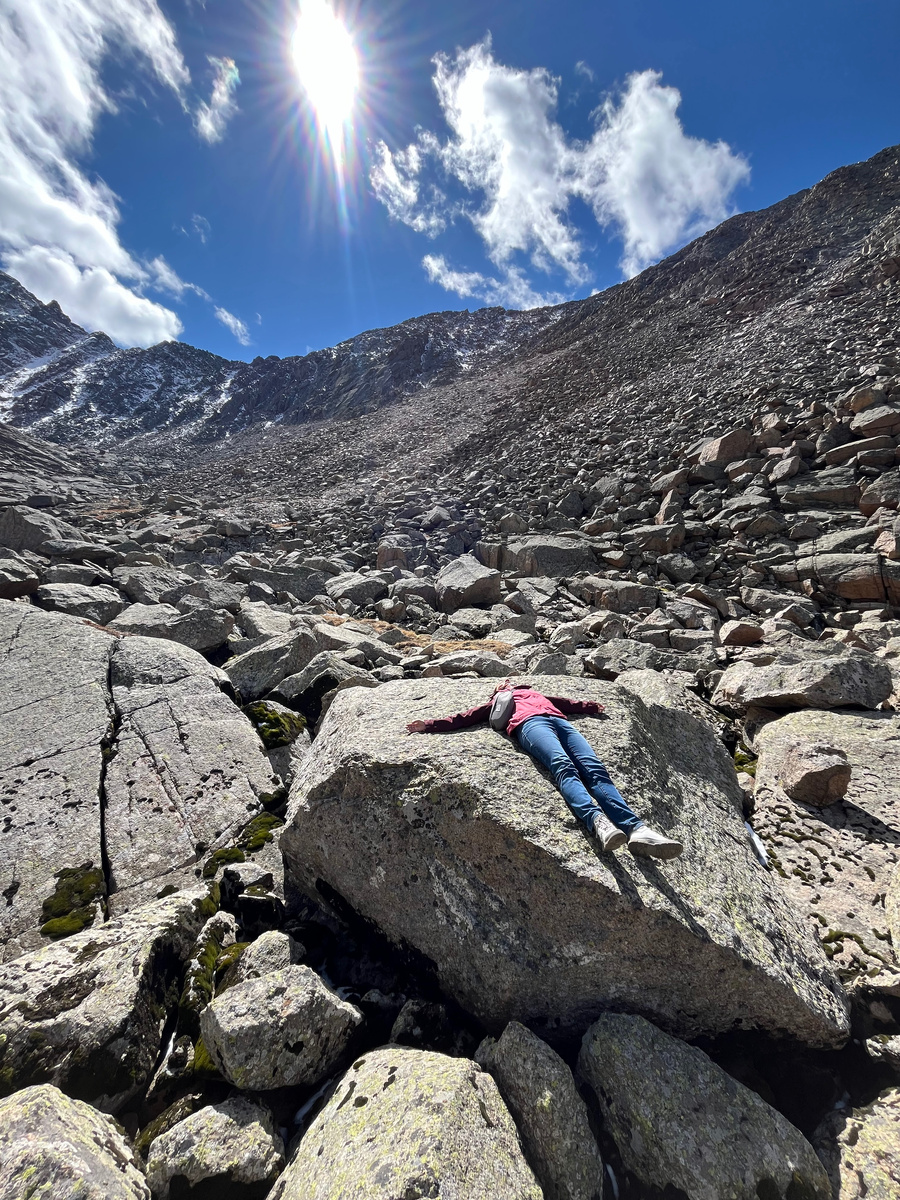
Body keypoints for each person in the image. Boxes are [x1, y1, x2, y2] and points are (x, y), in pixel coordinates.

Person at [407, 681, 683, 860]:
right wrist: (429, 725)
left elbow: (566, 704)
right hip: (529, 727)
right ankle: (598, 822)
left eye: (510, 681)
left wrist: (591, 707)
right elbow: (465, 717)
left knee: (595, 769)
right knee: (563, 766)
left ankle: (637, 829)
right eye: (501, 684)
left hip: (561, 723)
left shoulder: (535, 693)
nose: (507, 682)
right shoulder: (499, 701)